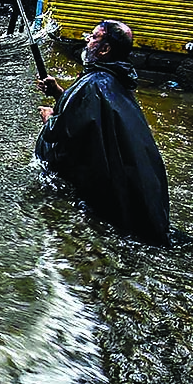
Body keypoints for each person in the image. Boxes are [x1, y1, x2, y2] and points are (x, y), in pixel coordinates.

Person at [35, 19, 170, 244]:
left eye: (94, 37)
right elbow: (87, 115)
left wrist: (48, 118)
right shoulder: (117, 80)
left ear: (105, 49)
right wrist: (60, 93)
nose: (87, 40)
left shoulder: (93, 84)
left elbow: (59, 132)